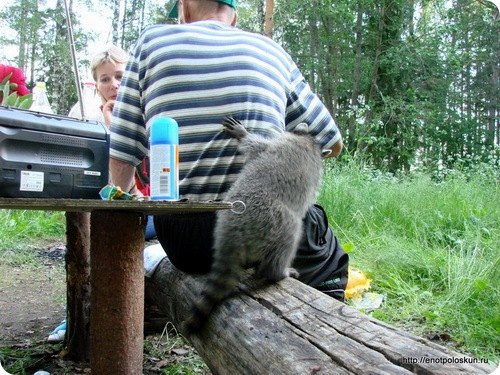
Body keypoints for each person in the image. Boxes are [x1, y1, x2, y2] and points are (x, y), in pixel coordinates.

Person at [109, 0, 348, 299]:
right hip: (264, 228)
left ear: (184, 9)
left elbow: (122, 151)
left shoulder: (151, 42)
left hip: (186, 241)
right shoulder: (271, 52)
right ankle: (329, 311)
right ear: (233, 18)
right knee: (322, 248)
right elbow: (331, 143)